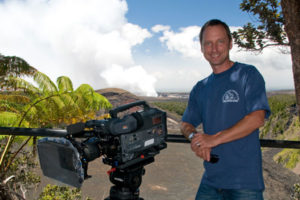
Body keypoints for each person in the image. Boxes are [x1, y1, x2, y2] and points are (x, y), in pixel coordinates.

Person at [180, 19, 271, 200]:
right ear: (202, 48)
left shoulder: (248, 74)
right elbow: (185, 123)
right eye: (208, 43)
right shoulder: (201, 87)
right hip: (211, 180)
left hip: (245, 184)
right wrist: (195, 139)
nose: (214, 49)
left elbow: (257, 118)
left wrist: (213, 139)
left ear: (230, 43)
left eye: (220, 42)